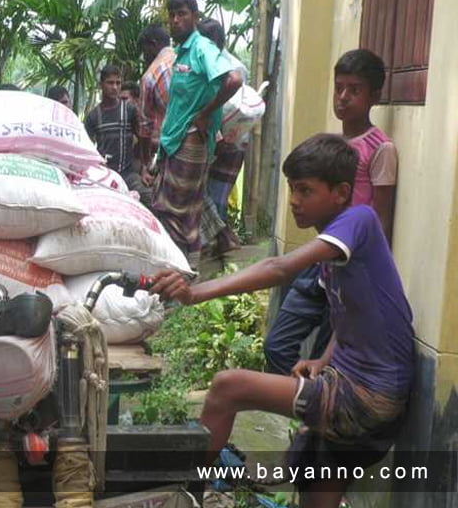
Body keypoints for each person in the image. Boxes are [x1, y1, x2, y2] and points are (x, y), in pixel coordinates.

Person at [150, 134, 413, 508]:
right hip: (360, 387)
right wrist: (323, 360)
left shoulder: (359, 219)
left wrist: (194, 294)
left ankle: (183, 496)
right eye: (292, 189)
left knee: (228, 387)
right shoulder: (336, 243)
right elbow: (352, 311)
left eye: (305, 190)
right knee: (317, 487)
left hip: (367, 397)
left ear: (340, 192)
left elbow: (277, 268)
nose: (293, 200)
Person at [264, 50, 398, 375]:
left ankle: (315, 419)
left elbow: (379, 219)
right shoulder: (330, 144)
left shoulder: (380, 148)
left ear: (374, 96)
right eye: (339, 87)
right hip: (317, 262)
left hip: (347, 267)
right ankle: (303, 406)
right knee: (276, 345)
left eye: (354, 89)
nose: (343, 97)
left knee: (329, 358)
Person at [150, 0, 242, 268]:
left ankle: (183, 272)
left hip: (190, 141)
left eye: (182, 14)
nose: (175, 21)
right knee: (184, 213)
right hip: (173, 141)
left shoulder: (202, 48)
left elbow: (233, 79)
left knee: (177, 213)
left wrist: (204, 115)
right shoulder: (183, 51)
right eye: (172, 16)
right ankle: (188, 271)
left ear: (195, 16)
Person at [195, 18, 247, 258]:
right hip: (232, 141)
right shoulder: (232, 63)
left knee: (211, 195)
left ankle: (225, 241)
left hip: (223, 142)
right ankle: (224, 241)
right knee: (216, 195)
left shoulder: (225, 66)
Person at [83, 65, 151, 204]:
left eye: (118, 83)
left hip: (128, 174)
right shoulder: (93, 116)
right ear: (101, 84)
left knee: (149, 198)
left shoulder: (130, 110)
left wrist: (144, 168)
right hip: (105, 175)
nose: (115, 87)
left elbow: (143, 137)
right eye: (110, 83)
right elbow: (86, 149)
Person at [139, 24, 175, 169]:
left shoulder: (151, 76)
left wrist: (145, 164)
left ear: (153, 45)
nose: (143, 57)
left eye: (144, 50)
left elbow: (145, 127)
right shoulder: (185, 58)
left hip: (174, 148)